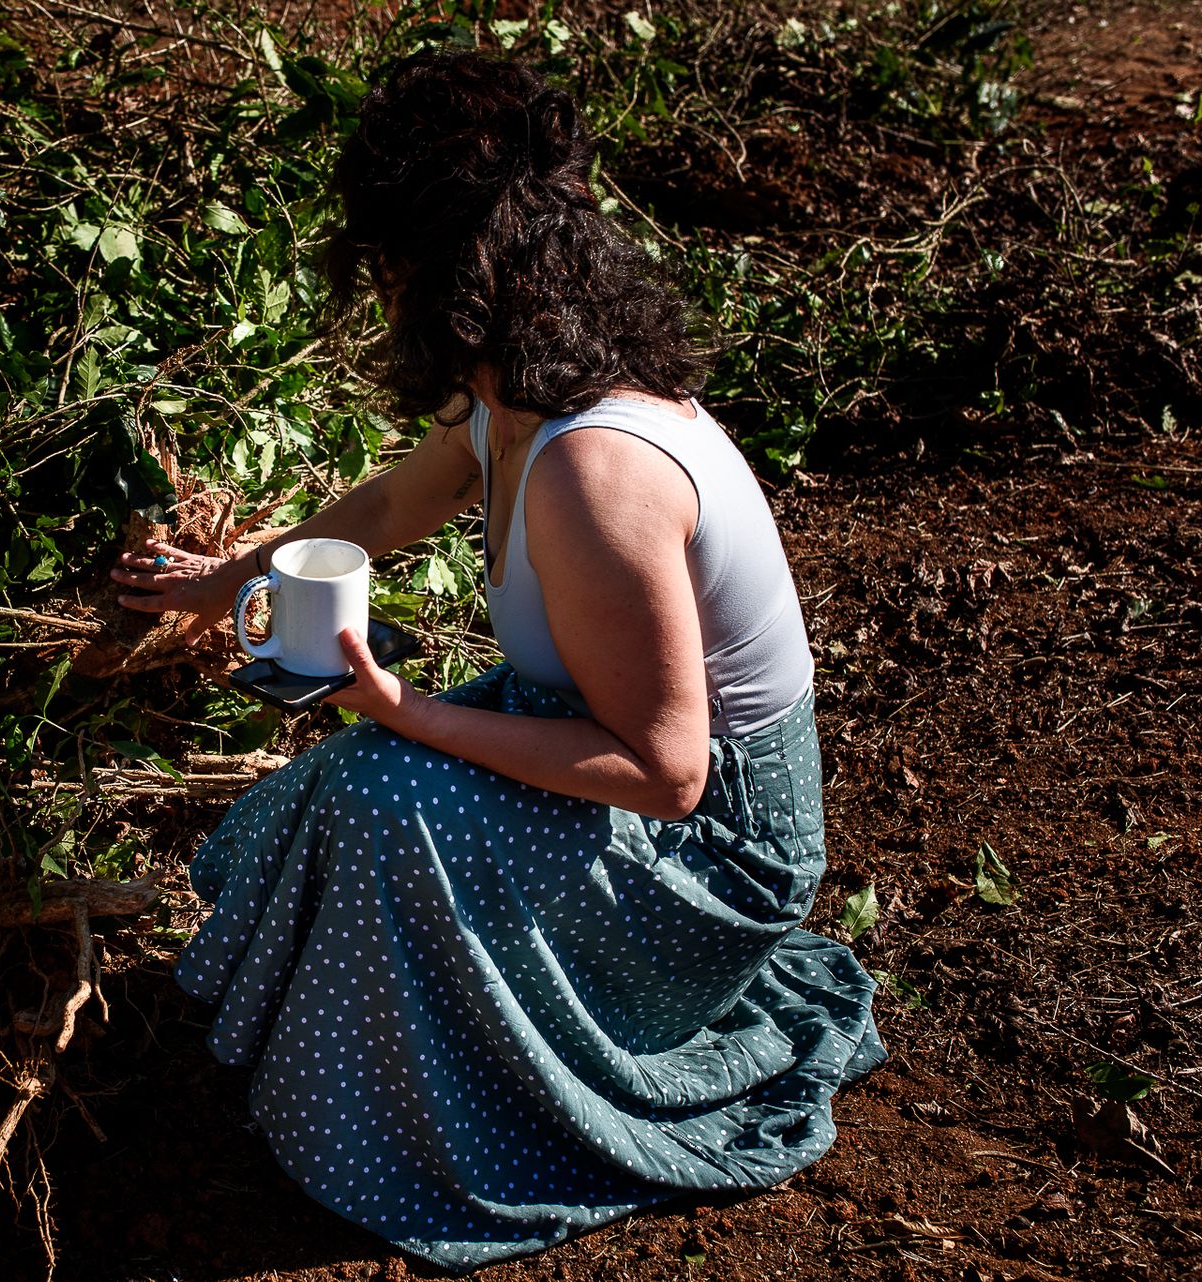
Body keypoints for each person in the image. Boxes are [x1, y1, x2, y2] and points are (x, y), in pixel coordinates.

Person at [109, 49, 884, 1273]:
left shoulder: (595, 465)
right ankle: (353, 1065)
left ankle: (417, 1136)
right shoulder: (510, 395)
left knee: (381, 797)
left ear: (440, 267)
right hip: (605, 751)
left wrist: (404, 708)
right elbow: (378, 514)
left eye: (386, 263)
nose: (376, 289)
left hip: (716, 851)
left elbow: (670, 771)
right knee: (339, 791)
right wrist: (221, 583)